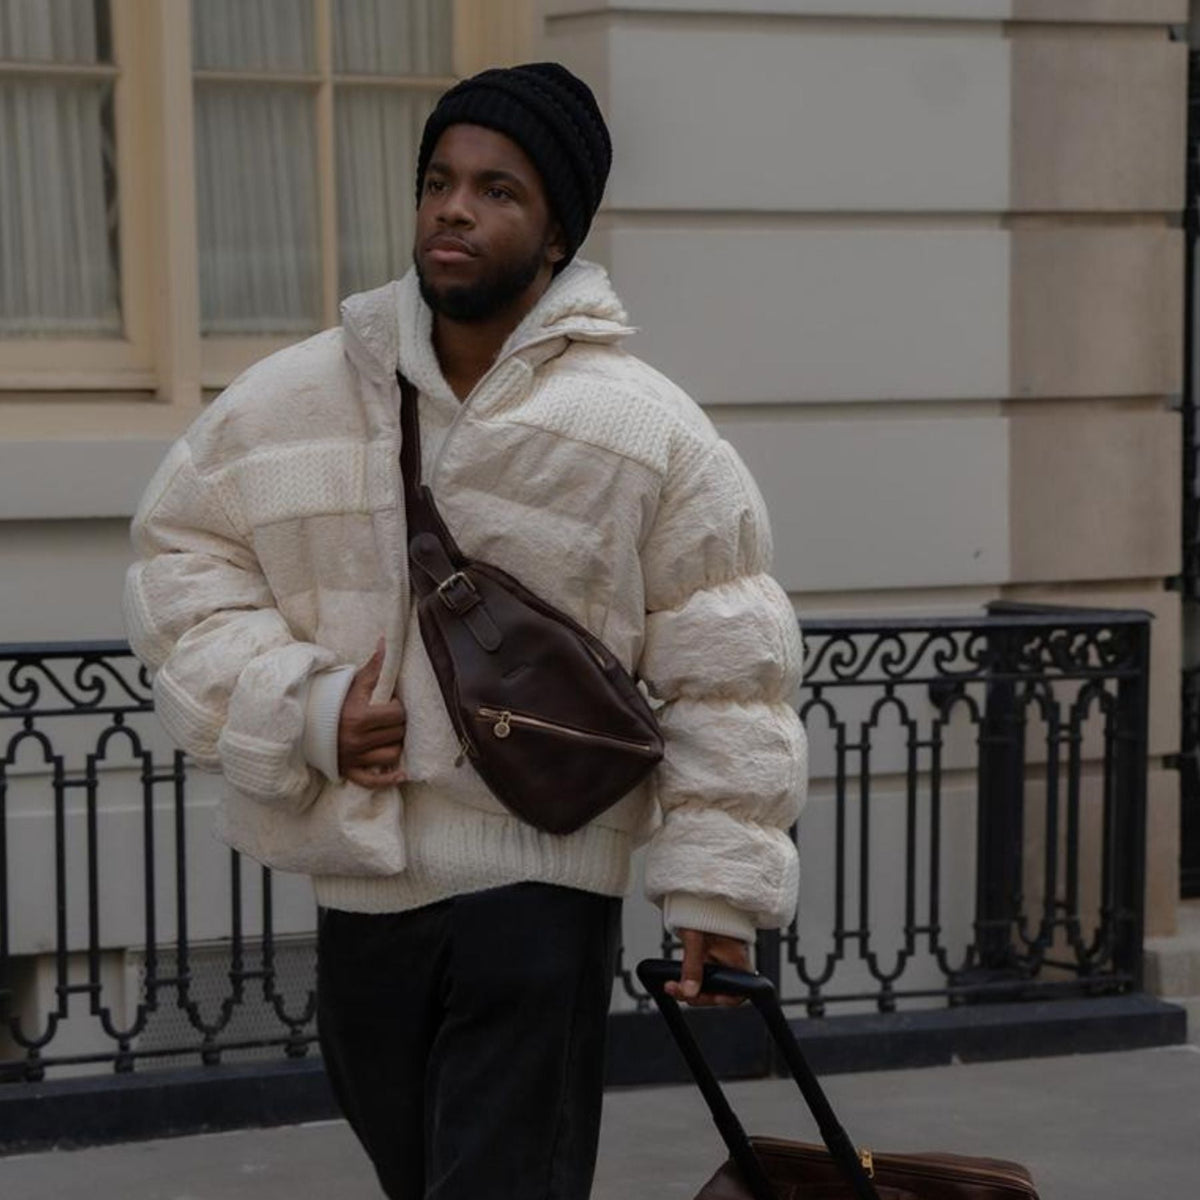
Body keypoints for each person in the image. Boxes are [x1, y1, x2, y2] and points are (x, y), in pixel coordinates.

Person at [124, 62, 806, 1200]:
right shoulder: (292, 398)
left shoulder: (645, 431)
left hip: (539, 889)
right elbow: (181, 559)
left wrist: (714, 895)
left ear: (555, 235)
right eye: (439, 181)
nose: (454, 207)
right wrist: (305, 708)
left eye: (499, 190)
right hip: (361, 891)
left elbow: (728, 670)